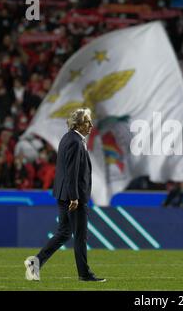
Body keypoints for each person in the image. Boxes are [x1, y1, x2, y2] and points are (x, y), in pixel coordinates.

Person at [24, 108, 106, 282]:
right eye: (87, 122)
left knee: (64, 233)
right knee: (80, 236)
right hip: (73, 197)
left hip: (63, 194)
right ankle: (84, 274)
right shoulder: (76, 142)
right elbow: (72, 171)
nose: (91, 125)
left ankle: (35, 262)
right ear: (78, 124)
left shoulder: (68, 138)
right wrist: (74, 197)